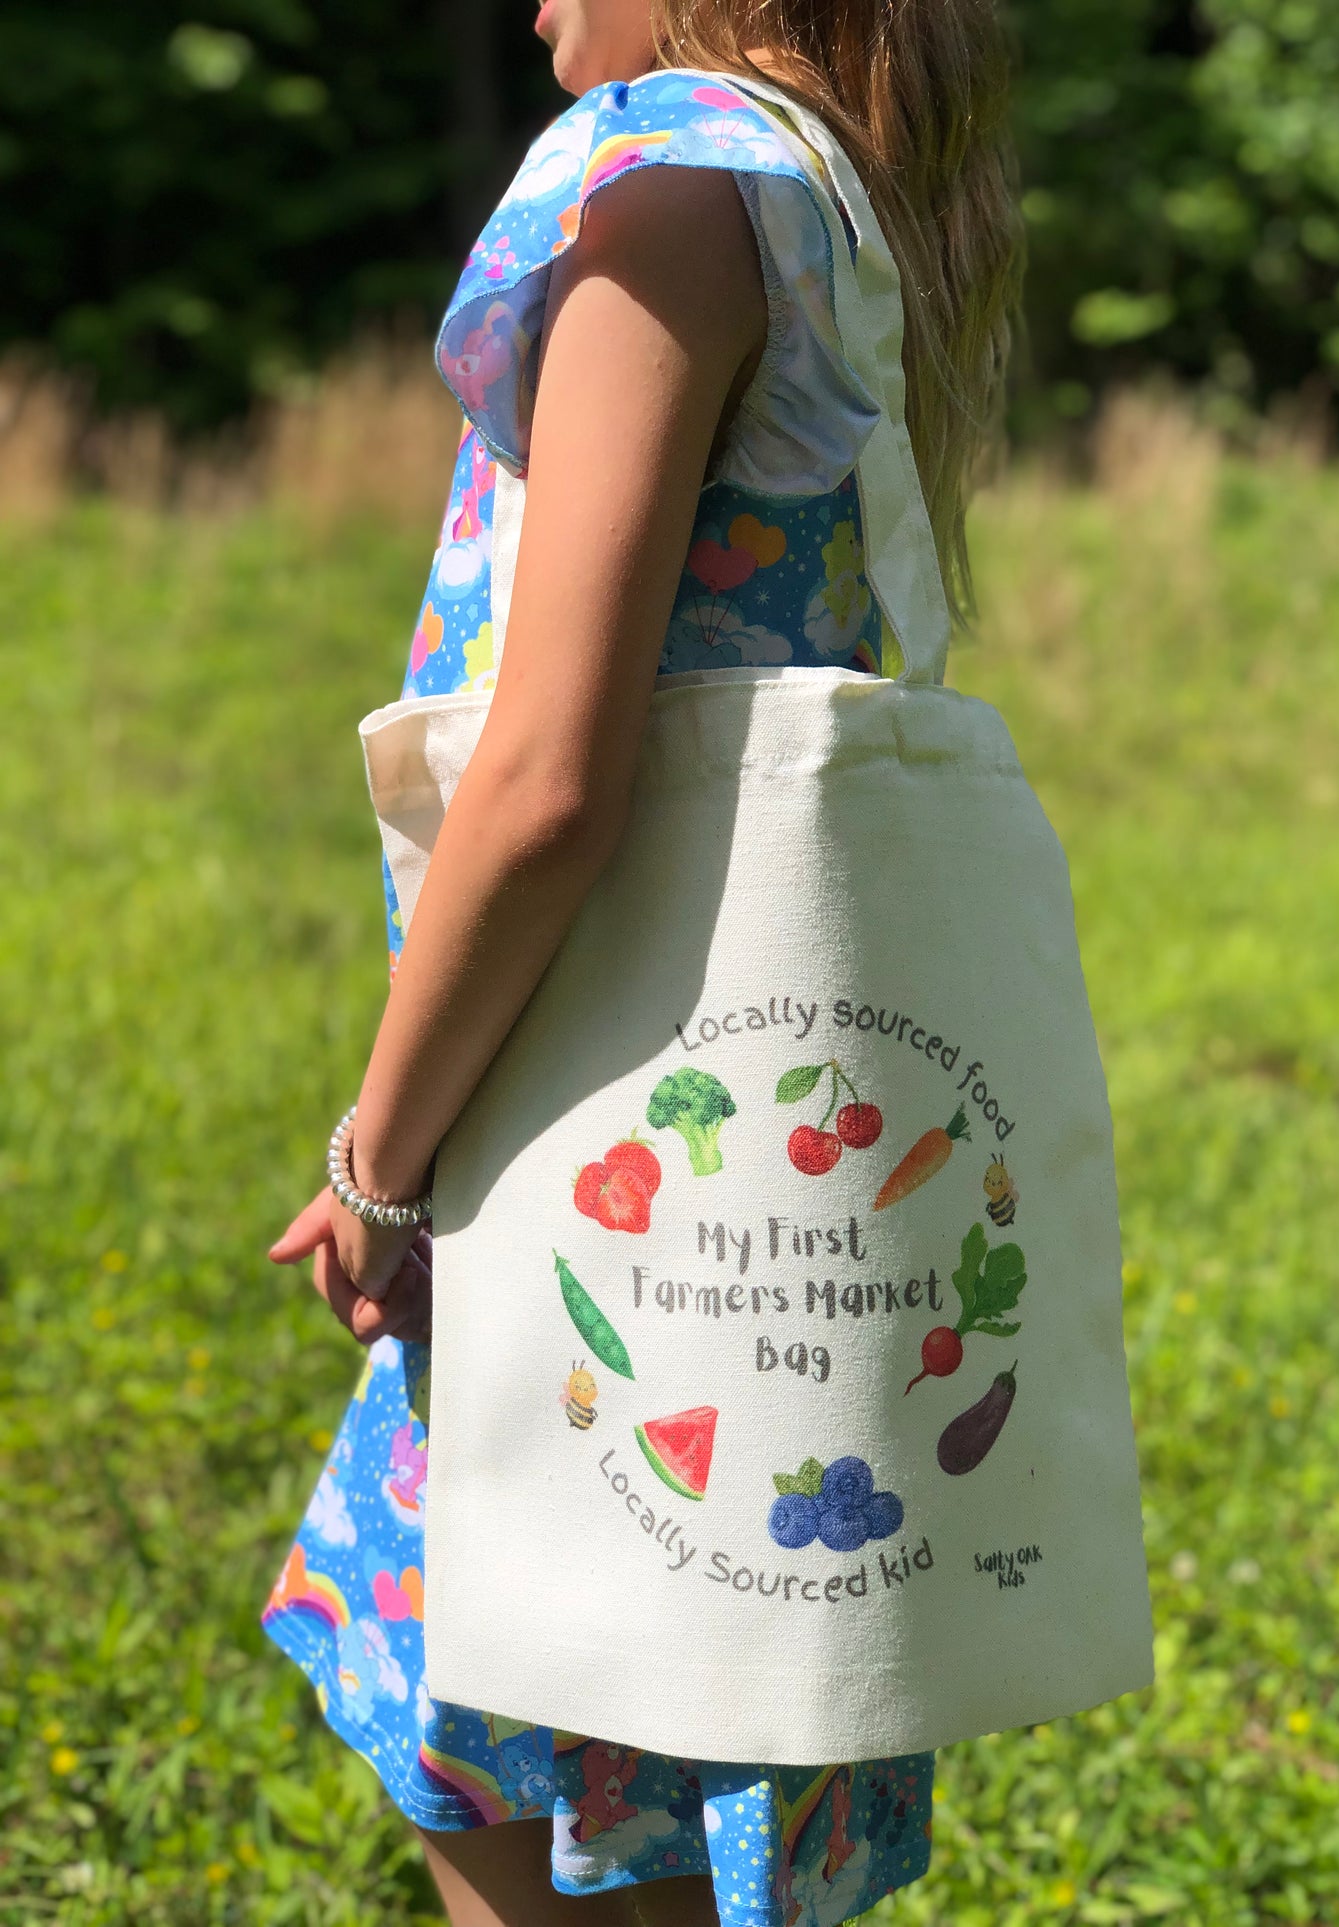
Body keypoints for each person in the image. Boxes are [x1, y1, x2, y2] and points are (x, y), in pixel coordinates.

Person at [264, 0, 1021, 1921]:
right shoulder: (830, 197)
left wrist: (381, 1153)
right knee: (642, 1729)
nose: (526, 0)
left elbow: (545, 778)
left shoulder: (672, 186)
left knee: (537, 1760)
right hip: (739, 1140)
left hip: (594, 1128)